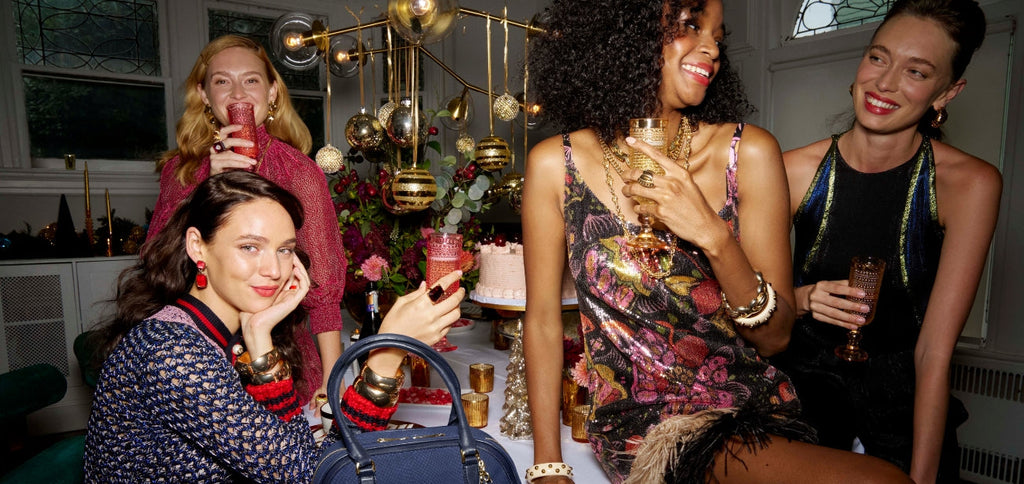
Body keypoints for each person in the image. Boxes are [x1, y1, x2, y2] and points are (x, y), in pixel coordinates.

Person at [522, 1, 915, 483]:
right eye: (690, 26)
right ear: (625, 33)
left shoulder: (747, 152)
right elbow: (541, 320)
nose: (711, 49)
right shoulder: (554, 165)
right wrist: (547, 464)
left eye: (718, 37)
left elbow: (776, 338)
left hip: (755, 408)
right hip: (648, 426)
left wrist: (712, 233)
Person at [84, 171, 464, 481]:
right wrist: (386, 353)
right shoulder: (171, 351)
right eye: (250, 247)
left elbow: (294, 455)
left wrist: (260, 340)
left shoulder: (220, 331)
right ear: (198, 247)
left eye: (284, 249)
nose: (275, 269)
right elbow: (311, 476)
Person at [774, 1, 1002, 482]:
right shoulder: (790, 170)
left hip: (905, 423)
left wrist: (921, 478)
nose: (885, 82)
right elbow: (748, 313)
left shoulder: (970, 183)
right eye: (878, 58)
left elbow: (933, 355)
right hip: (798, 419)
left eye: (916, 71)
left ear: (948, 92)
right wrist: (802, 298)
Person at [147, 35, 346, 410]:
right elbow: (157, 263)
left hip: (281, 352)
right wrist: (206, 184)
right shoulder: (181, 171)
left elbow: (323, 287)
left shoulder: (300, 172)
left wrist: (331, 383)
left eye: (251, 80)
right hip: (194, 353)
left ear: (272, 92)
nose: (238, 92)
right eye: (222, 81)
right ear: (205, 95)